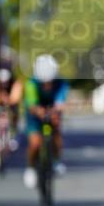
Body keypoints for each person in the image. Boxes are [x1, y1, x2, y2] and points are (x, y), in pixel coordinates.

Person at [23, 54, 69, 189]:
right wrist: (39, 112)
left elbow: (60, 101)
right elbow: (32, 105)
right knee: (35, 143)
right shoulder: (31, 84)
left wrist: (56, 111)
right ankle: (31, 167)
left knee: (56, 131)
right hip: (35, 114)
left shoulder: (61, 83)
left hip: (52, 110)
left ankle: (56, 160)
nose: (47, 84)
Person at [0, 57, 23, 172]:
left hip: (10, 108)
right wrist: (0, 98)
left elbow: (16, 97)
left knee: (14, 115)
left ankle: (13, 133)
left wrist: (8, 100)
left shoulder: (15, 82)